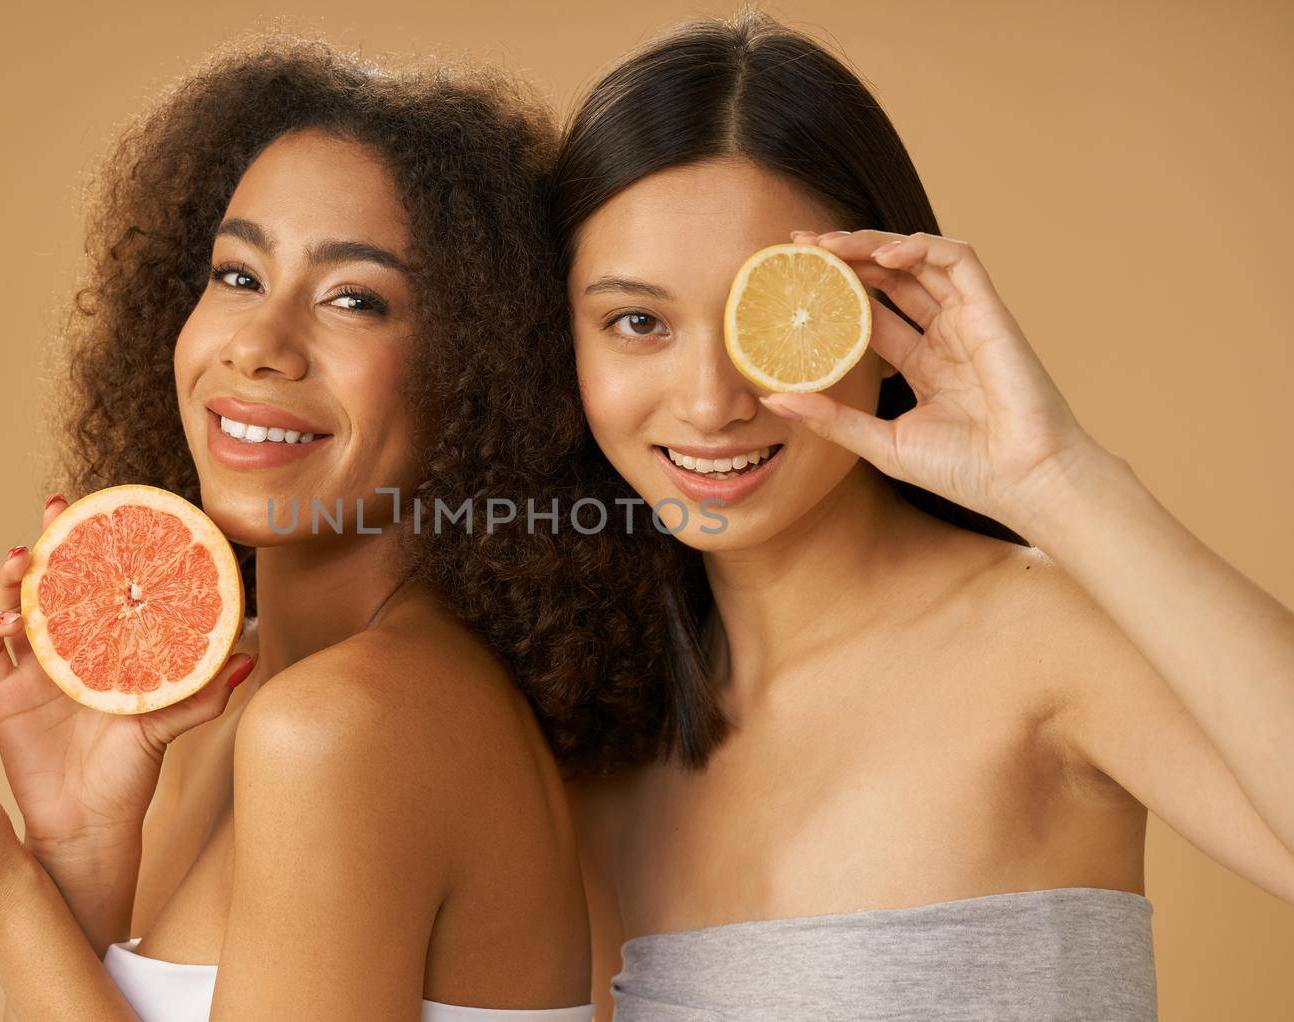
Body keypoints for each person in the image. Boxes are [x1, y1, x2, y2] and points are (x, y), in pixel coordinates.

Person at [0, 35, 595, 1021]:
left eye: (354, 298)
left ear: (482, 369)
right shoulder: (228, 710)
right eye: (238, 275)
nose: (258, 345)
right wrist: (76, 843)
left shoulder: (345, 725)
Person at [540, 10, 1294, 1020]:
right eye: (637, 321)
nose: (711, 398)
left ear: (877, 315)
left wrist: (1054, 474)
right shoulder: (595, 740)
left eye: (769, 316)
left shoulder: (1041, 640)